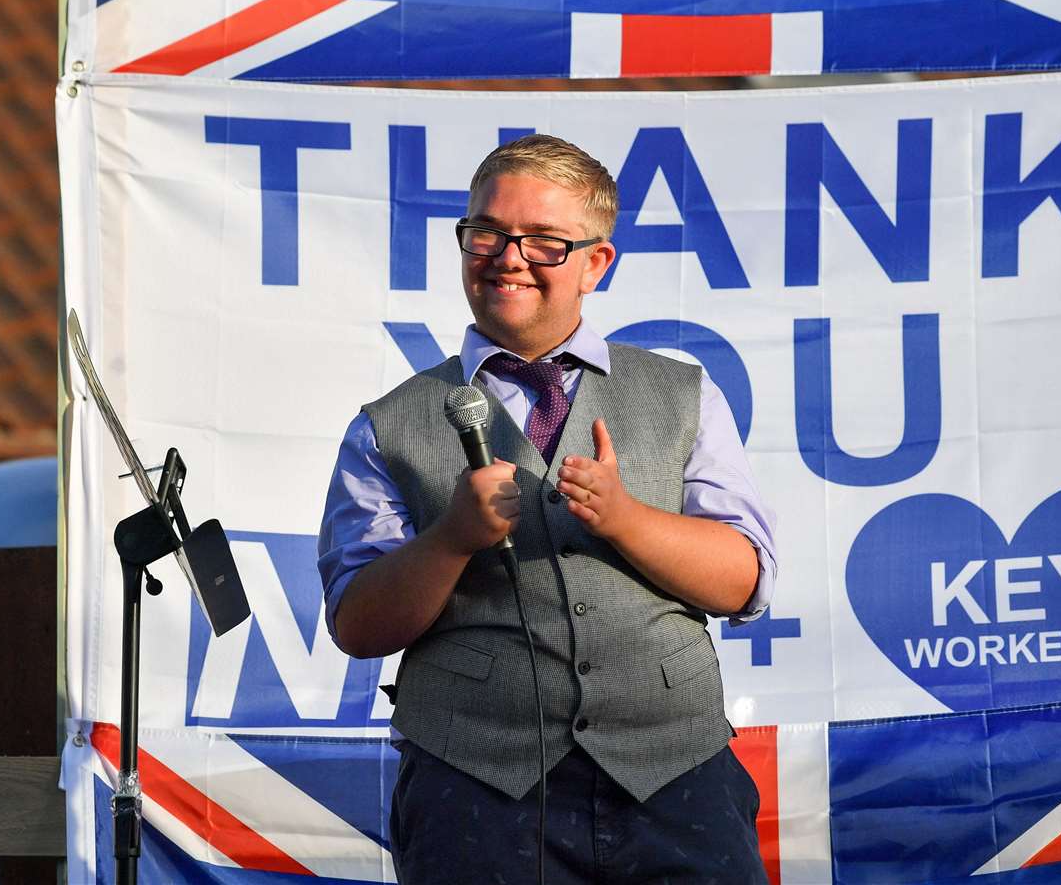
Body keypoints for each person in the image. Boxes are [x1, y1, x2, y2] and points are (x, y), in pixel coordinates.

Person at [318, 134, 776, 883]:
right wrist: (450, 541)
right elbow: (358, 624)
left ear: (597, 263)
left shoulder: (684, 395)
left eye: (544, 242)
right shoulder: (387, 424)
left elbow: (744, 582)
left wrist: (626, 517)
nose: (508, 256)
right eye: (487, 233)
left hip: (675, 779)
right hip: (474, 791)